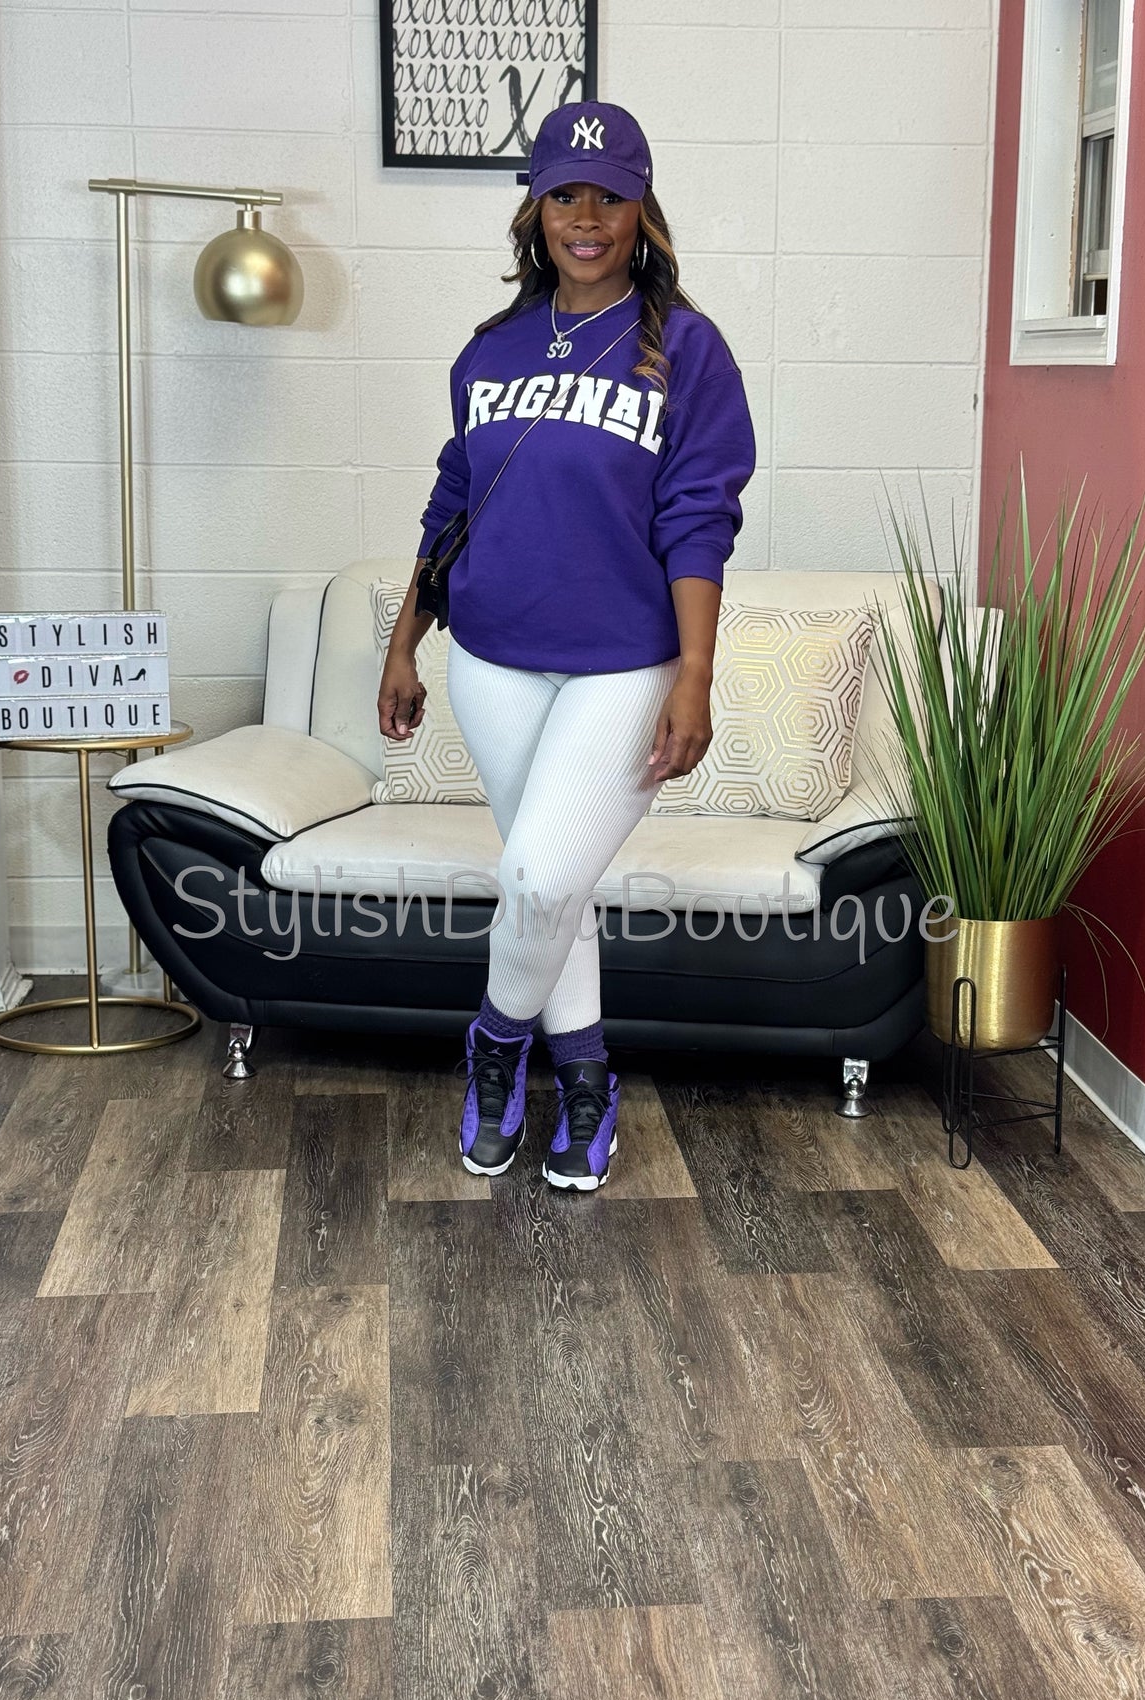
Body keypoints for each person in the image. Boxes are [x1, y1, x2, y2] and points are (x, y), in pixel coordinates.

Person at [377, 99, 756, 1192]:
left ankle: (496, 1045)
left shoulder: (687, 350)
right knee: (561, 883)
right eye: (564, 196)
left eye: (610, 197)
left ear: (642, 211)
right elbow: (452, 503)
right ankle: (586, 1077)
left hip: (626, 664)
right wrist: (405, 642)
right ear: (535, 211)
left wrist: (695, 673)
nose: (586, 218)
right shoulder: (490, 350)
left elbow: (699, 515)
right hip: (492, 659)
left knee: (540, 876)